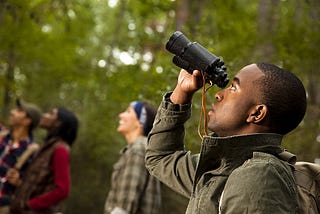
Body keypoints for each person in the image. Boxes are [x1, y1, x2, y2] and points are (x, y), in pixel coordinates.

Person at [145, 63, 307, 213]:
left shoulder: (258, 175)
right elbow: (160, 158)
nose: (218, 94)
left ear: (257, 113)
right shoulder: (223, 167)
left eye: (233, 88)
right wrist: (182, 91)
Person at [7, 107, 78, 214]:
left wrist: (31, 204)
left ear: (58, 123)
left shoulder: (60, 150)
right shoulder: (47, 147)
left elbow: (63, 190)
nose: (45, 115)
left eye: (51, 114)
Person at [104, 101, 162, 214]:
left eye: (128, 111)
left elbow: (126, 203)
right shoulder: (144, 148)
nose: (121, 115)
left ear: (140, 122)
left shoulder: (138, 149)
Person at [0, 99, 41, 214]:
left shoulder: (33, 151)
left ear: (27, 121)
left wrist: (19, 182)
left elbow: (34, 187)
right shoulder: (1, 136)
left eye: (19, 111)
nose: (12, 112)